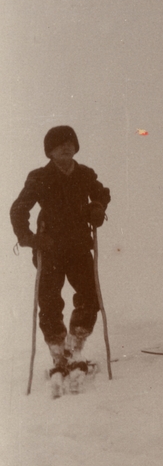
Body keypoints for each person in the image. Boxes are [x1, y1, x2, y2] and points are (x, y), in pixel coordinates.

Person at [10, 125, 111, 375]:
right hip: (50, 249)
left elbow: (101, 194)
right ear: (50, 152)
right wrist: (29, 238)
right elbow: (18, 209)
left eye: (70, 143)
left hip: (78, 247)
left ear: (76, 147)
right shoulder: (39, 177)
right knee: (50, 303)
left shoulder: (85, 174)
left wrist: (97, 207)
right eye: (59, 144)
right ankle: (58, 355)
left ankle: (75, 348)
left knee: (90, 297)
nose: (66, 147)